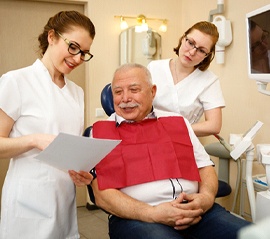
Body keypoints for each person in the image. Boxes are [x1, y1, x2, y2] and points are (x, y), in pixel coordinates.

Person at [69, 63, 250, 239]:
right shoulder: (100, 132)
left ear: (152, 92)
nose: (125, 98)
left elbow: (205, 167)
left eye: (134, 90)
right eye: (118, 92)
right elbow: (102, 196)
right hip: (138, 217)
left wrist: (206, 198)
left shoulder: (178, 122)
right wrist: (153, 213)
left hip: (196, 209)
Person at [0, 11, 95, 238]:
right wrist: (35, 139)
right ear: (52, 37)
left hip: (64, 197)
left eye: (84, 53)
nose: (78, 58)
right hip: (28, 200)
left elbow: (68, 147)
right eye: (73, 47)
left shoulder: (76, 92)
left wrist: (83, 172)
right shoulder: (17, 81)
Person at [147, 21, 225, 137]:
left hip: (182, 140)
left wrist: (174, 129)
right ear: (183, 39)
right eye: (190, 43)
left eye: (201, 50)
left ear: (206, 56)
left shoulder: (209, 81)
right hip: (149, 134)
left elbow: (214, 125)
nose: (192, 52)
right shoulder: (154, 68)